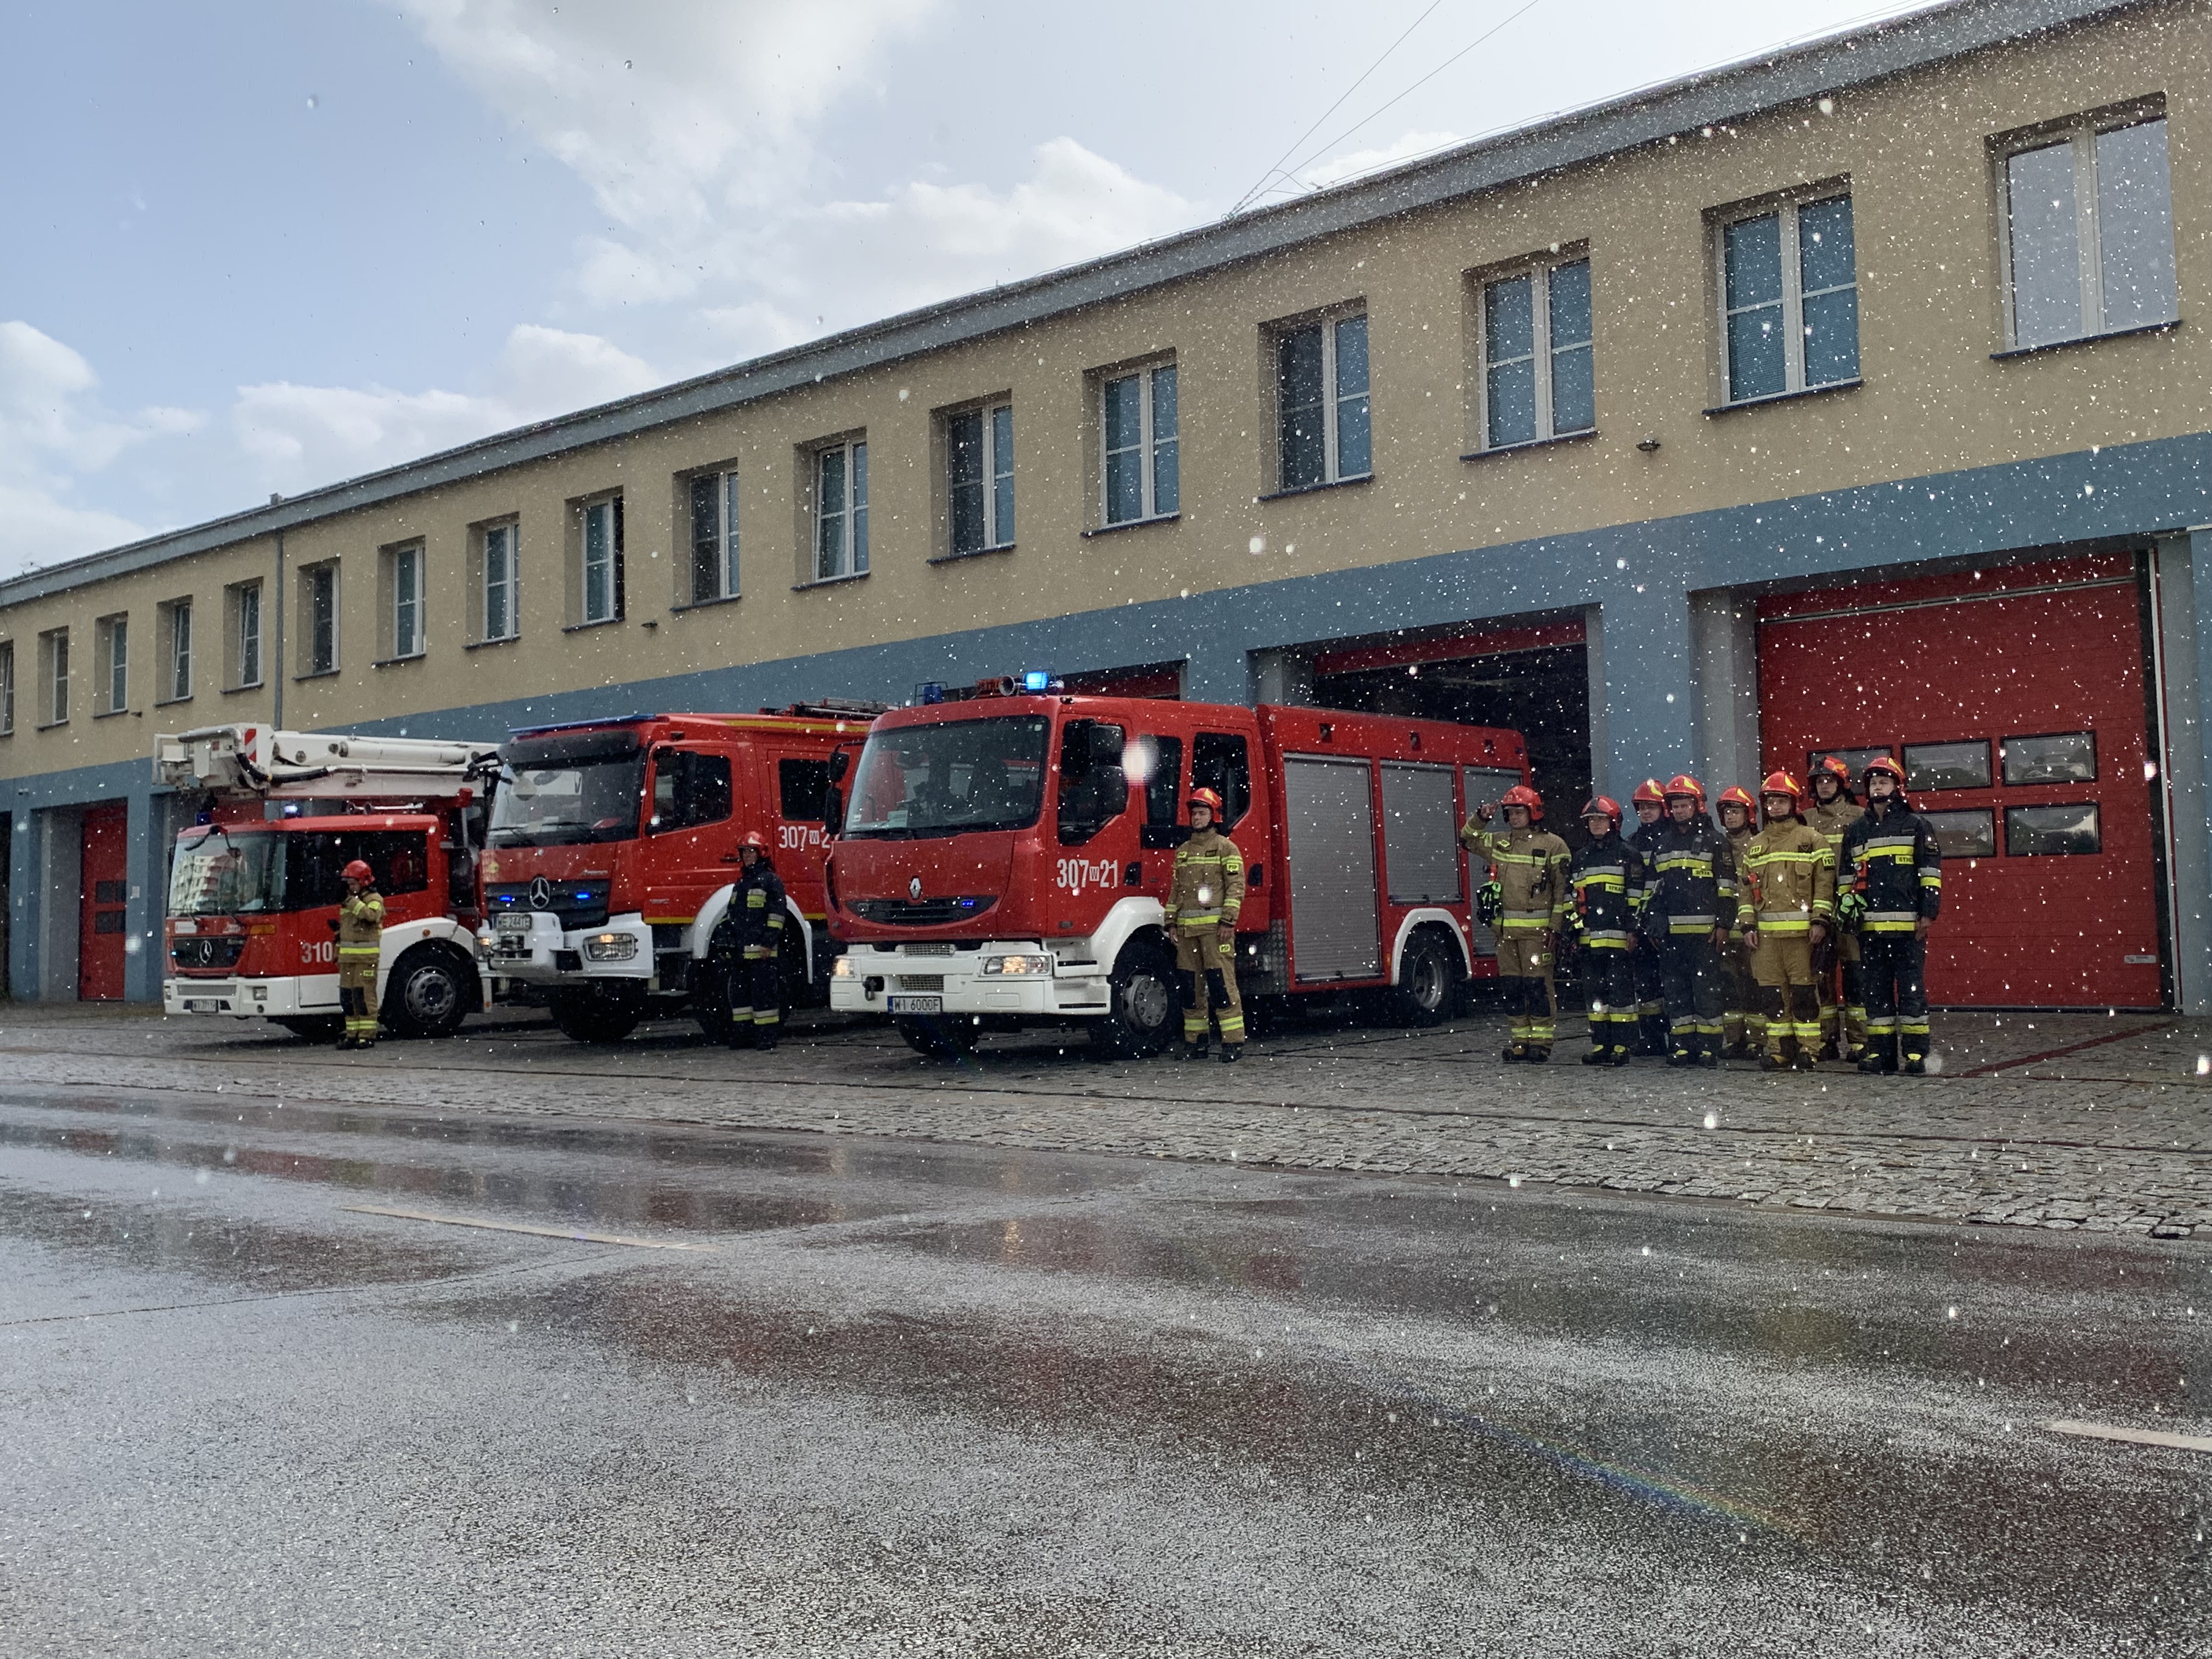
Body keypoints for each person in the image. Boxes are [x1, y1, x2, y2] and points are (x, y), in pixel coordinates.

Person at [1841, 757, 1943, 1075]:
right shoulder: (1857, 830)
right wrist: (1847, 913)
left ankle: (1915, 1055)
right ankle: (1881, 1054)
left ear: (1898, 787)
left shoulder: (1916, 825)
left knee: (1912, 992)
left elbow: (1930, 874)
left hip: (1908, 928)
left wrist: (1928, 914)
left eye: (1884, 782)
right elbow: (1846, 878)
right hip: (1870, 929)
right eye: (1873, 783)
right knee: (1876, 993)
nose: (1877, 787)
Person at [1462, 784, 1571, 1063]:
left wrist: (1556, 928)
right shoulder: (1500, 842)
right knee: (1512, 988)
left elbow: (1562, 892)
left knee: (1537, 987)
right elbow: (1467, 839)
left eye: (1519, 812)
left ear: (1533, 813)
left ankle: (1541, 1043)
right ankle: (1520, 1041)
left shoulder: (1554, 846)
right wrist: (1481, 818)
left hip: (1538, 935)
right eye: (1510, 813)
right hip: (1506, 935)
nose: (1514, 818)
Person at [1737, 772, 1835, 1071]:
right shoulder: (1755, 845)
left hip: (1802, 937)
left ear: (1793, 804)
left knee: (1805, 995)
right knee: (1772, 997)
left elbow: (1824, 885)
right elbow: (1745, 892)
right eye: (1771, 801)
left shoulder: (1812, 840)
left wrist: (1820, 921)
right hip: (1766, 940)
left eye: (1781, 801)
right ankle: (1780, 1050)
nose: (1776, 806)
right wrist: (1747, 925)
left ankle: (1809, 1050)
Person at [1641, 775, 1737, 1068]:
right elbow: (1652, 890)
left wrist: (1723, 925)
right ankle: (1681, 1045)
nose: (1680, 811)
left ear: (1697, 806)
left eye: (1685, 805)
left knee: (1707, 992)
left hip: (1705, 935)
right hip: (1671, 936)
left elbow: (1727, 888)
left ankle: (1709, 1048)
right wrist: (1654, 921)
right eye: (1676, 806)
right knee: (1676, 992)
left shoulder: (1715, 842)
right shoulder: (1662, 844)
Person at [1165, 787, 1246, 1063]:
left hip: (1215, 933)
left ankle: (1232, 1043)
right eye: (1194, 814)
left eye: (1202, 813)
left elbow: (1236, 887)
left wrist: (1228, 922)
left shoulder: (1226, 848)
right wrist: (1171, 923)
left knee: (1222, 987)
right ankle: (1196, 1043)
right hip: (1187, 935)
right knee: (1191, 990)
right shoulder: (1183, 852)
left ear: (1214, 816)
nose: (1197, 818)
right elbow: (1176, 892)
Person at [1567, 796, 1643, 1066]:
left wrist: (1633, 930)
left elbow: (1636, 897)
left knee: (1621, 993)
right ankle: (1601, 1043)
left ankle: (1623, 1045)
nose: (1596, 825)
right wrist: (1573, 932)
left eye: (1601, 820)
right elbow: (1572, 899)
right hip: (1589, 940)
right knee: (1596, 995)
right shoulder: (1580, 858)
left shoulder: (1629, 854)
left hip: (1619, 938)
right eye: (1591, 821)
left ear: (1614, 823)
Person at [1805, 755, 1866, 1061]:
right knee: (1821, 978)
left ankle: (1860, 1041)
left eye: (1829, 780)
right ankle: (1826, 1039)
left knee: (1856, 977)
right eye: (1819, 781)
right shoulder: (1804, 819)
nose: (1824, 786)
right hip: (1817, 911)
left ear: (1842, 784)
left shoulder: (1860, 817)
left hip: (1851, 909)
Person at [710, 831, 787, 1049]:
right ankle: (743, 1036)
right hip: (740, 953)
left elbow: (777, 915)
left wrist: (768, 943)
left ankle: (766, 1038)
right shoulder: (742, 883)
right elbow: (732, 915)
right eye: (744, 852)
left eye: (751, 852)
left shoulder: (770, 881)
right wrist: (725, 938)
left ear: (761, 853)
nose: (747, 856)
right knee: (740, 998)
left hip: (762, 953)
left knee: (764, 998)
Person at [1714, 785, 1761, 1058]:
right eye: (1727, 812)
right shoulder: (1716, 845)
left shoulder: (1760, 844)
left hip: (1752, 928)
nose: (1731, 817)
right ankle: (1734, 1040)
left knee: (1754, 984)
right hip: (1726, 927)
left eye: (1736, 811)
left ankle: (1758, 1040)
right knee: (1729, 986)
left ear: (1749, 815)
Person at [1626, 778, 1671, 1056]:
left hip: (1667, 922)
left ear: (1663, 809)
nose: (1645, 812)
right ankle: (1653, 1037)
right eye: (1641, 807)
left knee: (1673, 984)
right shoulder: (1632, 842)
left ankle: (1677, 1038)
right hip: (1641, 923)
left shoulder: (1672, 839)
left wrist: (1660, 917)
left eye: (1651, 807)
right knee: (1646, 985)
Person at [336, 859, 383, 1051]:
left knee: (364, 998)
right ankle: (352, 1035)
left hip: (365, 959)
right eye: (348, 883)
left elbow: (371, 916)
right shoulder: (349, 901)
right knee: (348, 998)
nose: (350, 887)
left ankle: (367, 1036)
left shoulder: (375, 899)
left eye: (353, 883)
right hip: (347, 960)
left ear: (363, 882)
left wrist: (351, 902)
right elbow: (345, 931)